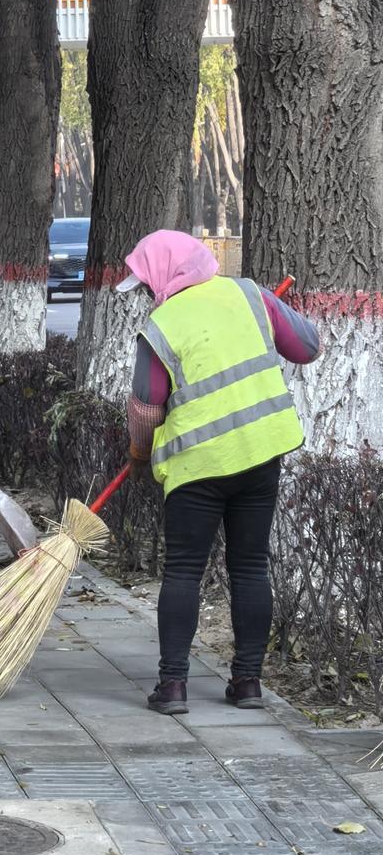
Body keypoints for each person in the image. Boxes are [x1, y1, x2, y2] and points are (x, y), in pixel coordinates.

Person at [119, 230, 320, 716]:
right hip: (259, 455)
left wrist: (139, 454)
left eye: (147, 281)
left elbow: (146, 406)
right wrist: (271, 312)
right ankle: (248, 682)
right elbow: (307, 346)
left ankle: (173, 688)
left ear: (167, 273)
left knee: (184, 571)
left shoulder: (162, 325)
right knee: (250, 566)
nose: (147, 291)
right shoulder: (250, 294)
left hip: (197, 468)